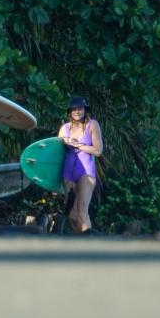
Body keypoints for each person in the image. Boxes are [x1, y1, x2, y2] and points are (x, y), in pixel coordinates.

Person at [58, 95, 102, 234]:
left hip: (86, 173)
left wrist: (78, 145)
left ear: (85, 110)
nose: (77, 111)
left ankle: (90, 247)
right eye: (74, 109)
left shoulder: (92, 125)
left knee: (82, 212)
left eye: (80, 108)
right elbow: (56, 151)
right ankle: (80, 245)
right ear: (70, 112)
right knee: (72, 213)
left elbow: (98, 150)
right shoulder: (64, 128)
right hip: (67, 173)